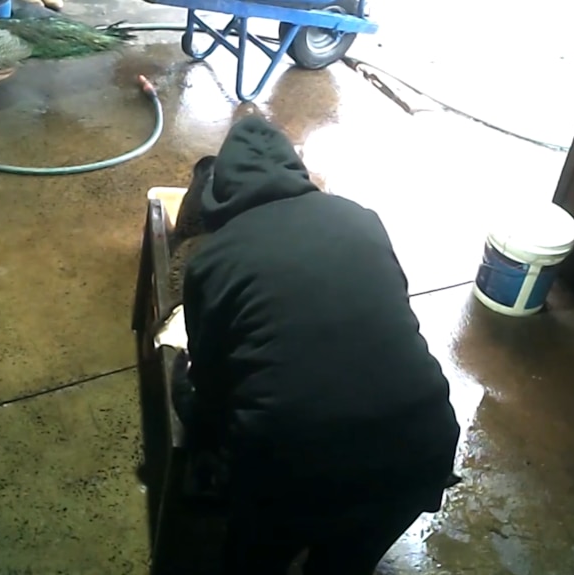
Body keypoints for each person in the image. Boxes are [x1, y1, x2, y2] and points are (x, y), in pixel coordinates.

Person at [171, 115, 462, 575]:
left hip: (292, 467)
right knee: (345, 566)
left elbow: (213, 384)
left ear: (216, 195)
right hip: (422, 448)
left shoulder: (213, 259)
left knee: (254, 559)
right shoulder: (360, 218)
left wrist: (189, 402)